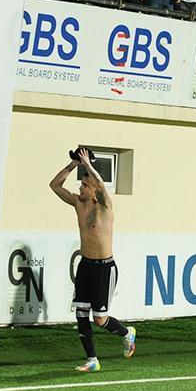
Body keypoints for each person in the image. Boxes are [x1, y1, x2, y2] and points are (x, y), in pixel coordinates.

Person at [49, 147, 136, 372]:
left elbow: (101, 185)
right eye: (81, 184)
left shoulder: (105, 206)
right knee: (80, 313)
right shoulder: (79, 203)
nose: (80, 187)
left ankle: (127, 333)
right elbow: (54, 185)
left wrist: (88, 164)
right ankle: (92, 360)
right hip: (85, 266)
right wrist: (74, 165)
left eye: (85, 185)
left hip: (104, 269)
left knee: (100, 319)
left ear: (94, 188)